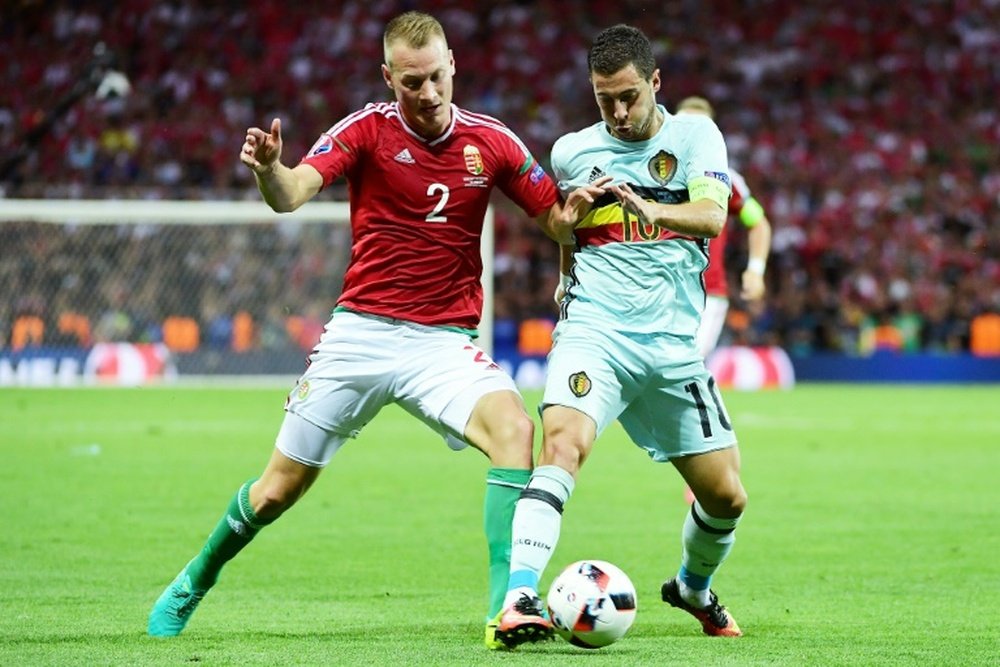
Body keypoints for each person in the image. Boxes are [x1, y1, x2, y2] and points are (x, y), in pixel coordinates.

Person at [147, 11, 587, 650]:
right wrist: (269, 169)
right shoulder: (365, 131)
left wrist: (569, 218)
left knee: (516, 430)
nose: (429, 94)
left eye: (437, 77)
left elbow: (554, 219)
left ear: (453, 64)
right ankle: (195, 578)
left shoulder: (492, 141)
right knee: (275, 492)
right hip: (360, 336)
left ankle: (507, 610)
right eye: (412, 83)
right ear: (388, 77)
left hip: (444, 344)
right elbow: (291, 193)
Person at [494, 24, 747, 648]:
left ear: (656, 83)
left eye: (630, 95)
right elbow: (563, 227)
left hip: (670, 349)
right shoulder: (572, 151)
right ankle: (519, 597)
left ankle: (691, 588)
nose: (619, 111)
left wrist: (655, 210)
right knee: (562, 445)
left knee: (727, 498)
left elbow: (713, 216)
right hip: (595, 334)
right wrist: (563, 240)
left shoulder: (695, 136)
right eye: (605, 98)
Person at [674, 96, 772, 359]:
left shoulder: (724, 179)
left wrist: (755, 269)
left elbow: (758, 223)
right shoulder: (651, 174)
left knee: (685, 366)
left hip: (706, 294)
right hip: (656, 290)